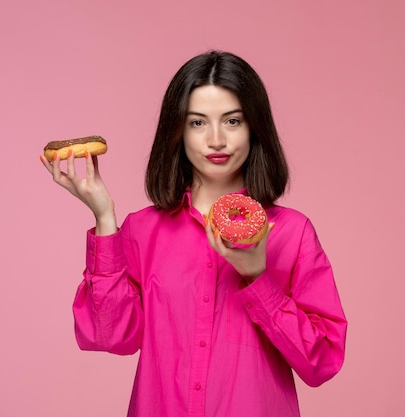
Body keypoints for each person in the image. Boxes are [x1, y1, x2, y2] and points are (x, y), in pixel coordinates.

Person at [40, 51, 347, 417]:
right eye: (198, 123)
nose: (216, 139)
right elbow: (110, 337)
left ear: (255, 128)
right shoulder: (143, 231)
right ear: (178, 131)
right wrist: (105, 218)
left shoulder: (291, 233)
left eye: (232, 121)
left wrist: (257, 277)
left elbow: (322, 362)